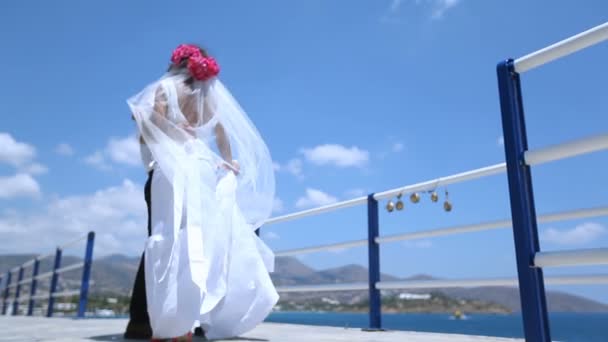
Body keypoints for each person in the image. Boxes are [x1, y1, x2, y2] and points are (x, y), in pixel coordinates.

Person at [126, 44, 279, 341]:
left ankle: (155, 323)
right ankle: (188, 322)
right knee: (198, 242)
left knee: (164, 240)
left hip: (170, 171)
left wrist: (170, 130)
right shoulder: (209, 95)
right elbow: (221, 130)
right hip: (202, 168)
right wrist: (229, 160)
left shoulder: (164, 87)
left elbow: (150, 120)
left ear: (176, 63)